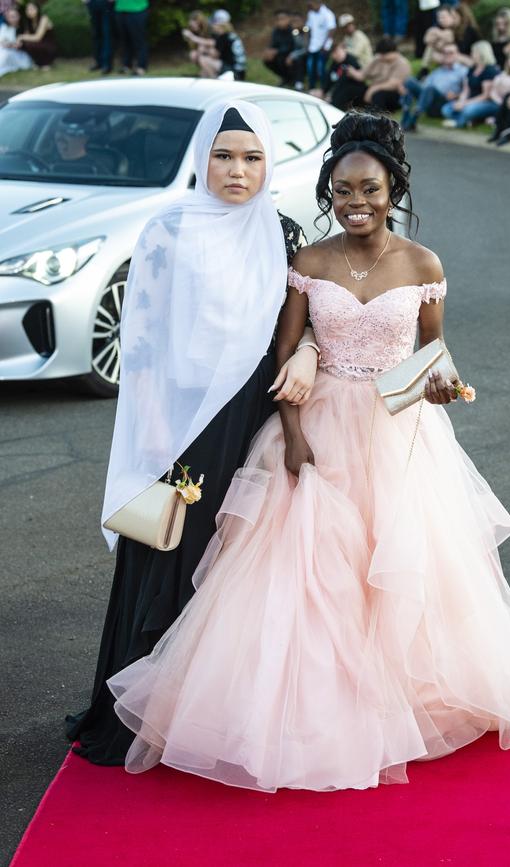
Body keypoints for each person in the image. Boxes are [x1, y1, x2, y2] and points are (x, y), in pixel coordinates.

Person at [107, 109, 510, 792]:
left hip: (399, 433)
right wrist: (291, 435)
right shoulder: (308, 262)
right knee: (309, 573)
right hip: (317, 426)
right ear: (327, 194)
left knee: (399, 565)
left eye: (369, 190)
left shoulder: (423, 263)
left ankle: (400, 696)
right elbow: (286, 350)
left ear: (393, 187)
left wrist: (440, 382)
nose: (356, 203)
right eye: (342, 192)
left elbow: (431, 347)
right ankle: (307, 708)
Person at [66, 100, 321, 766]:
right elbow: (142, 336)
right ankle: (139, 712)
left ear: (269, 163)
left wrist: (309, 353)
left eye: (252, 157)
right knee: (172, 551)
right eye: (224, 155)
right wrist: (154, 432)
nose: (237, 171)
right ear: (203, 156)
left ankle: (222, 715)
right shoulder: (168, 230)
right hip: (184, 424)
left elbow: (305, 323)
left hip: (255, 419)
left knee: (238, 563)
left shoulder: (284, 233)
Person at [401, 42, 467, 130]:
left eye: (451, 53)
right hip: (427, 99)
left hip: (443, 102)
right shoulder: (437, 71)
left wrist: (456, 95)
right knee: (409, 81)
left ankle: (414, 118)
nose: (448, 55)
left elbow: (469, 90)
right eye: (445, 53)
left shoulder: (463, 71)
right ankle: (406, 114)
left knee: (430, 89)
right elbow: (424, 87)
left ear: (457, 54)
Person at [441, 41, 500, 128]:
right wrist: (461, 102)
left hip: (486, 103)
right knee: (446, 109)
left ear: (481, 54)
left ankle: (459, 123)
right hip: (470, 101)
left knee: (468, 110)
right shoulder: (472, 69)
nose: (471, 54)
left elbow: (485, 96)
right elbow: (466, 89)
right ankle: (473, 120)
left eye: (473, 52)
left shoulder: (490, 70)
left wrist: (465, 103)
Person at [342, 37, 412, 112]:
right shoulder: (378, 59)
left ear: (393, 52)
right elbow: (362, 75)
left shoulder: (402, 63)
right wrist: (353, 72)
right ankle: (343, 111)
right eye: (380, 54)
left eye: (383, 54)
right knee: (351, 89)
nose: (381, 56)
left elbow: (393, 84)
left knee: (378, 95)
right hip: (375, 88)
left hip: (394, 93)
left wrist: (373, 89)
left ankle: (377, 119)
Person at [422, 3, 479, 68]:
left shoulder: (469, 30)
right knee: (432, 48)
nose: (452, 19)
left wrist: (439, 37)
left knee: (441, 49)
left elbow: (461, 49)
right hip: (453, 56)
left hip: (466, 59)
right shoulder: (452, 28)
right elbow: (427, 40)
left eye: (454, 16)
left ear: (461, 17)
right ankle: (424, 69)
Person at [198, 9, 247, 81]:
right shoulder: (232, 35)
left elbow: (214, 55)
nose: (212, 26)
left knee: (203, 60)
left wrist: (204, 50)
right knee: (203, 72)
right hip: (241, 71)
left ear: (219, 25)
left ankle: (215, 82)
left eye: (214, 24)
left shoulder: (223, 36)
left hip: (233, 73)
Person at [263, 9, 303, 87]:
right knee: (268, 60)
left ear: (288, 19)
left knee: (288, 60)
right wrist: (269, 51)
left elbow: (293, 45)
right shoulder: (276, 31)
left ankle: (294, 80)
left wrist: (277, 51)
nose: (280, 21)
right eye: (278, 19)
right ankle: (285, 78)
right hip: (280, 54)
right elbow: (273, 43)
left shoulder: (294, 30)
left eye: (283, 19)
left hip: (293, 54)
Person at [305, 1, 336, 91]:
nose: (310, 4)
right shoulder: (311, 13)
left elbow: (332, 30)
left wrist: (326, 45)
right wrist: (307, 43)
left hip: (323, 47)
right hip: (312, 46)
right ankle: (311, 88)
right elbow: (308, 28)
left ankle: (324, 89)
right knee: (310, 68)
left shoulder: (328, 14)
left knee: (321, 69)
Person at [16, 1, 56, 69]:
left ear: (37, 9)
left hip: (48, 46)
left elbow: (38, 37)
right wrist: (19, 41)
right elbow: (27, 36)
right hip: (39, 44)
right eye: (28, 9)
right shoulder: (29, 22)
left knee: (29, 43)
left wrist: (20, 37)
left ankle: (46, 63)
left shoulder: (44, 19)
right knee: (23, 44)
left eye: (32, 9)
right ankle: (38, 62)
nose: (29, 11)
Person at [324, 41, 362, 110]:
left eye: (337, 52)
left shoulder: (351, 61)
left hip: (353, 89)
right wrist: (324, 91)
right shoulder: (334, 64)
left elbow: (345, 81)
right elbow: (330, 79)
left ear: (344, 50)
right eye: (333, 53)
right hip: (341, 90)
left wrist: (331, 95)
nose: (336, 55)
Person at [115, 0, 148, 76]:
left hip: (137, 10)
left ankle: (141, 66)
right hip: (121, 9)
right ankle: (127, 65)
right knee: (125, 40)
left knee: (139, 40)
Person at [83, 0, 114, 74]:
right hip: (93, 3)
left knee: (107, 34)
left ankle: (106, 64)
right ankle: (98, 62)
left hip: (106, 3)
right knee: (96, 34)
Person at [0, 6, 31, 77]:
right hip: (5, 50)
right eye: (10, 16)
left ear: (19, 16)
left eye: (14, 16)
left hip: (19, 55)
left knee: (5, 53)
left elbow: (21, 45)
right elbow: (1, 41)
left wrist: (11, 44)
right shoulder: (5, 27)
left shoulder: (23, 28)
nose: (12, 19)